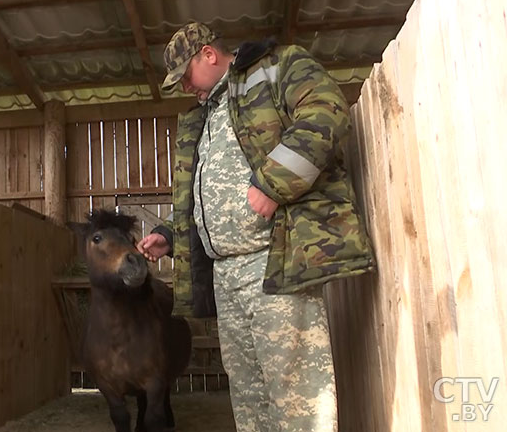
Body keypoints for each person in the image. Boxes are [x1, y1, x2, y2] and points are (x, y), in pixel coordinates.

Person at [136, 22, 375, 431]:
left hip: (274, 262)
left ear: (207, 54)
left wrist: (274, 182)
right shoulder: (204, 116)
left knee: (297, 394)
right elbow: (209, 197)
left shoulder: (278, 67)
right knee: (249, 396)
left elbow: (326, 111)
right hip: (226, 276)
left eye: (185, 77)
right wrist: (172, 237)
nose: (184, 88)